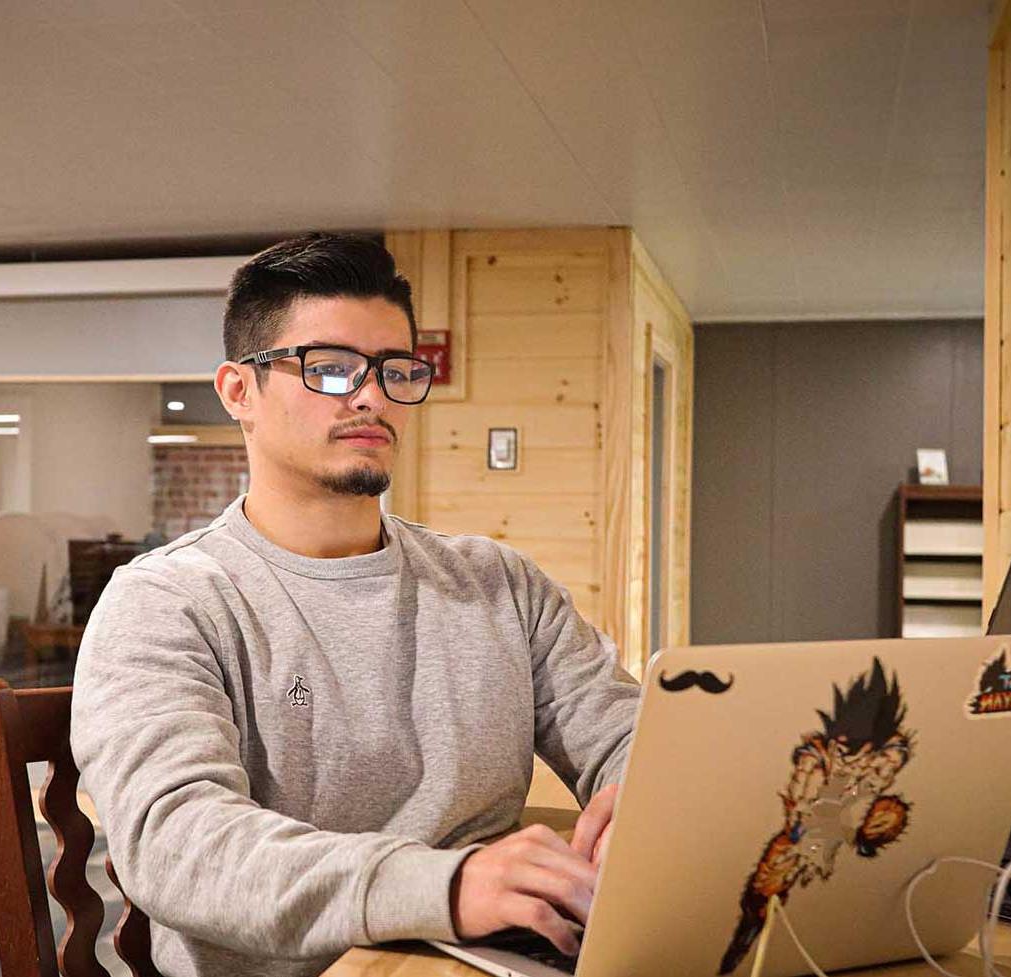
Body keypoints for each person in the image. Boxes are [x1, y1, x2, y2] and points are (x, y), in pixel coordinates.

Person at [72, 232, 639, 977]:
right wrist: (449, 884)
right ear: (239, 391)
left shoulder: (500, 582)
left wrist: (643, 795)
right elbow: (179, 844)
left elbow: (631, 736)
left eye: (394, 369)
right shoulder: (169, 600)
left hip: (494, 959)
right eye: (330, 367)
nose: (371, 395)